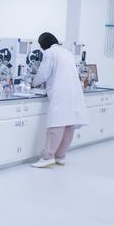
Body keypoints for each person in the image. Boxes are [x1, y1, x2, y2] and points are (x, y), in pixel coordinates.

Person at [30, 32, 89, 168]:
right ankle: (60, 156)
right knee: (69, 124)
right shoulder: (67, 52)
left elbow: (43, 73)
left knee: (56, 124)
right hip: (73, 91)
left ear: (43, 44)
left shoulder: (50, 52)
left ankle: (48, 156)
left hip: (61, 92)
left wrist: (33, 83)